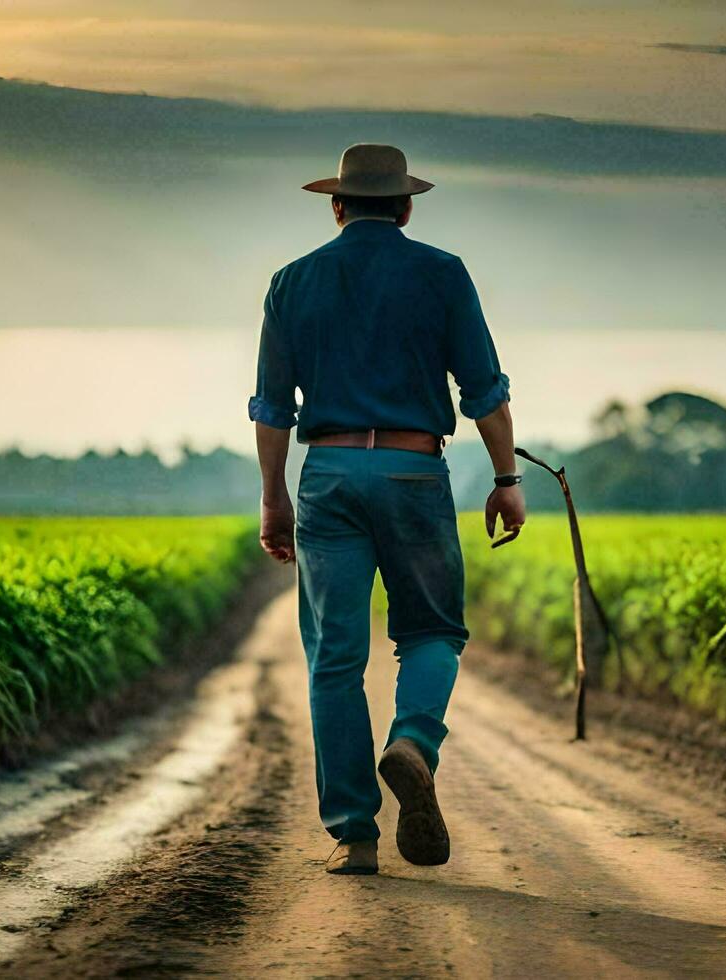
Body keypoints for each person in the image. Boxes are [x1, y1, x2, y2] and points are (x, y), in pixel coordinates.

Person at [248, 143, 525, 876]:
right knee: (432, 631)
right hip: (411, 470)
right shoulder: (441, 273)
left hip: (329, 473)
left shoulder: (291, 282)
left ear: (337, 206)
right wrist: (506, 478)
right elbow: (484, 391)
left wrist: (275, 499)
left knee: (333, 658)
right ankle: (412, 743)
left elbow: (274, 409)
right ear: (406, 207)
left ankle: (353, 835)